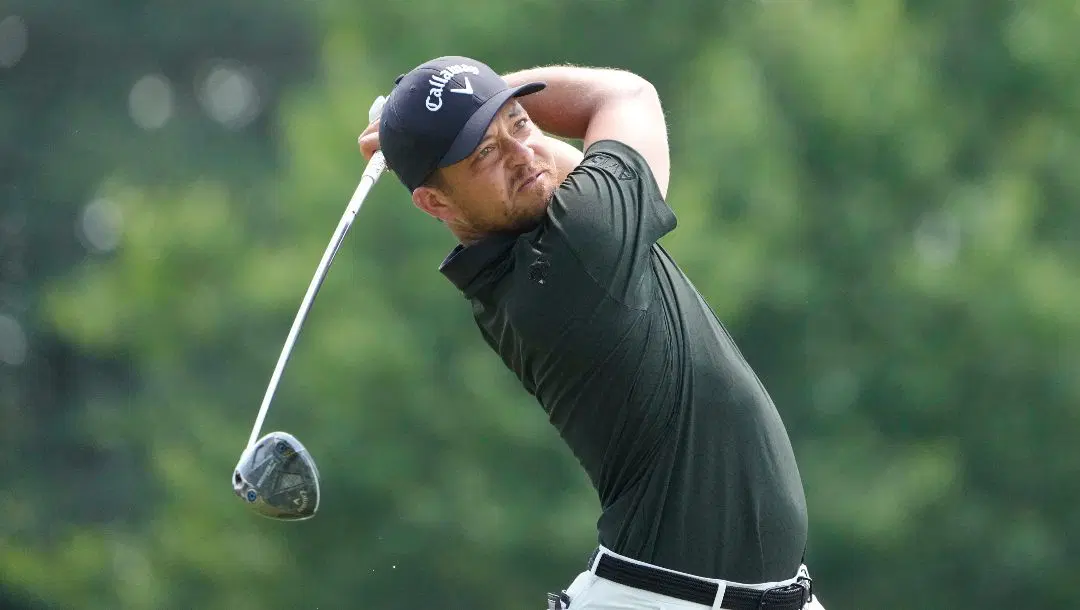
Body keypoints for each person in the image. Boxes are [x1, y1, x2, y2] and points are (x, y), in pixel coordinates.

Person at [358, 55, 825, 610]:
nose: (522, 154)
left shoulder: (524, 250)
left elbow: (544, 167)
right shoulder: (578, 249)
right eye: (485, 154)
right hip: (666, 600)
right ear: (434, 202)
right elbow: (624, 96)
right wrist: (472, 99)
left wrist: (452, 108)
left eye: (519, 122)